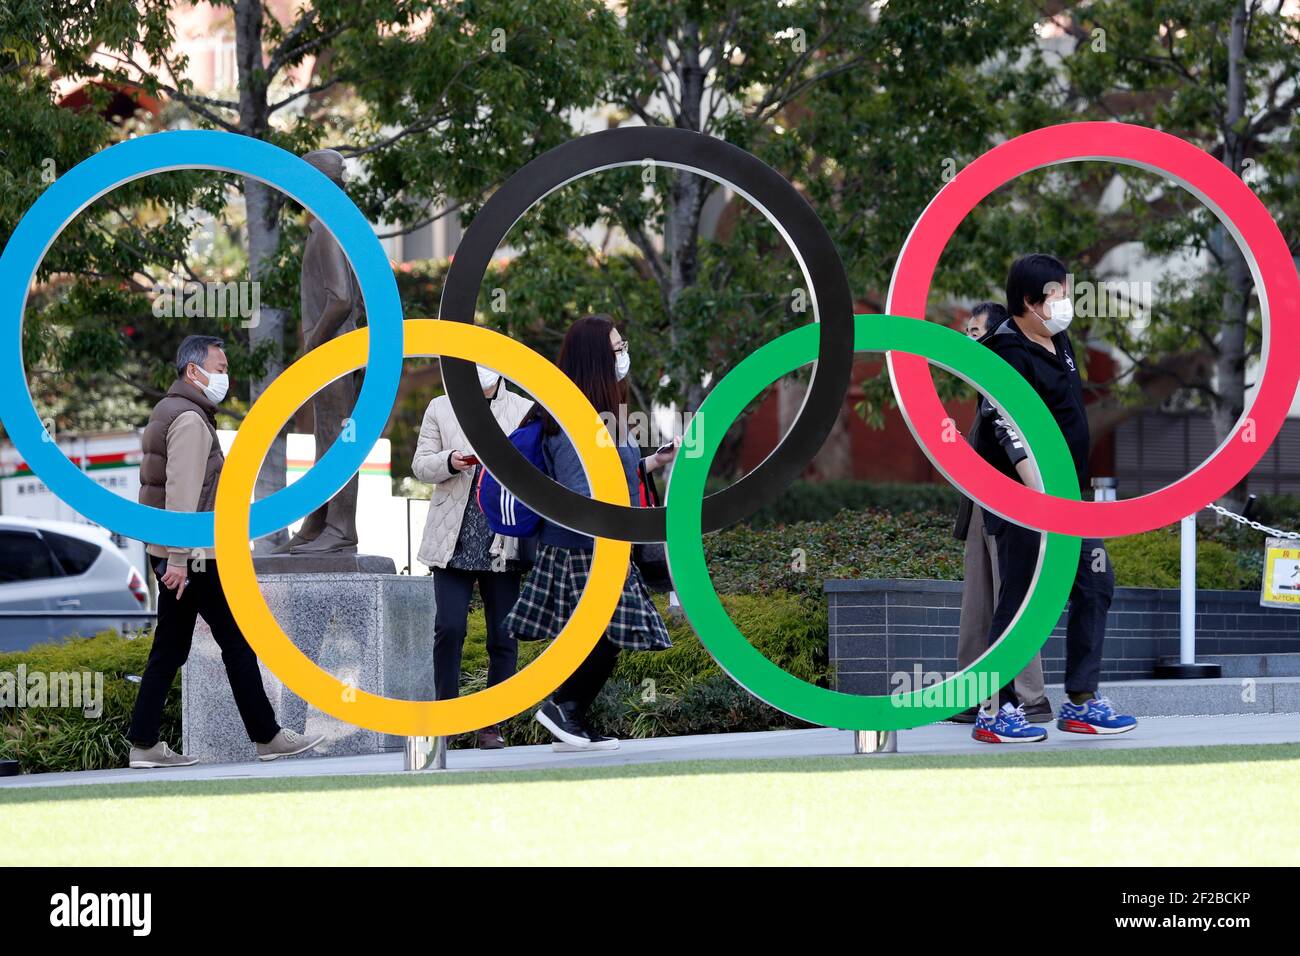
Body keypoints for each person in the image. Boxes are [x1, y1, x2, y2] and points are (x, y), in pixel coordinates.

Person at [128, 335, 325, 767]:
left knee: (171, 648)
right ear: (193, 371)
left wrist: (169, 555)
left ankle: (144, 744)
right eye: (219, 367)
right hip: (196, 556)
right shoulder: (191, 421)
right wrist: (179, 558)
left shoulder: (170, 411)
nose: (225, 376)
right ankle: (267, 737)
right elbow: (182, 493)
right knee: (236, 642)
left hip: (180, 553)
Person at [971, 254, 1138, 743]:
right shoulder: (1004, 353)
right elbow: (1006, 426)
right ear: (1029, 301)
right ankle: (995, 712)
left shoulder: (1059, 339)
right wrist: (1037, 495)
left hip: (1072, 498)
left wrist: (1065, 499)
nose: (1066, 301)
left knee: (1095, 584)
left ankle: (1082, 703)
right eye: (1058, 293)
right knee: (1020, 599)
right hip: (1024, 500)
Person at [505, 315, 677, 752]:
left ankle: (571, 716)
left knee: (602, 635)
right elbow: (582, 492)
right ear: (597, 357)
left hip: (600, 541)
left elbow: (612, 478)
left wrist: (653, 462)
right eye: (617, 348)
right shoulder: (570, 420)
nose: (624, 355)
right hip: (586, 546)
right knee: (608, 633)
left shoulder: (601, 413)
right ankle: (562, 708)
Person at [411, 364, 533, 749]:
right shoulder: (441, 406)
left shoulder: (523, 408)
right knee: (449, 627)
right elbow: (420, 464)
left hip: (504, 536)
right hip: (454, 536)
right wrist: (450, 460)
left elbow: (537, 466)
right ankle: (447, 717)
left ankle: (490, 725)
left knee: (503, 635)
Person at [949, 302, 1050, 724]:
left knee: (1012, 598)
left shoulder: (1009, 380)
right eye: (967, 333)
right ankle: (973, 693)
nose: (971, 340)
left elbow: (1019, 444)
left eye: (978, 333)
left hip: (1012, 503)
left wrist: (1040, 500)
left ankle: (1030, 697)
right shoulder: (985, 385)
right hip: (981, 503)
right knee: (978, 599)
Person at [274, 147, 363, 554]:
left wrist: (312, 346)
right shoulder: (336, 226)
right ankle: (319, 520)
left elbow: (341, 299)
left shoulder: (328, 227)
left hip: (335, 352)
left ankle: (341, 527)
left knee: (337, 437)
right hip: (340, 351)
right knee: (326, 437)